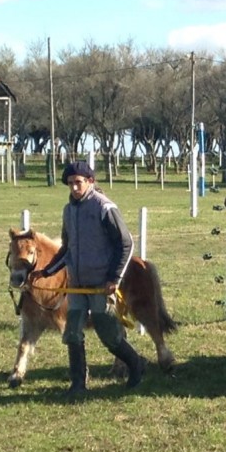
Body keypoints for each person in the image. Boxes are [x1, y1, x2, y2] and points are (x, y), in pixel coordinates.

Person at [27, 160, 147, 396]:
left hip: (102, 286)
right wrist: (46, 272)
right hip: (77, 286)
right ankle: (78, 384)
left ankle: (136, 364)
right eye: (70, 183)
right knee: (72, 333)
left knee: (108, 334)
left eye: (78, 183)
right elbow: (67, 249)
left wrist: (114, 277)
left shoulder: (104, 208)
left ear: (90, 182)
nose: (74, 188)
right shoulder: (68, 211)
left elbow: (126, 243)